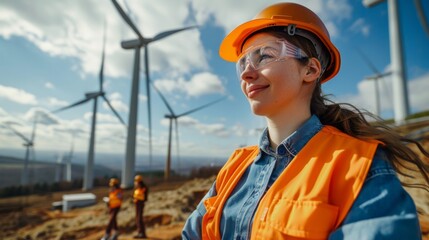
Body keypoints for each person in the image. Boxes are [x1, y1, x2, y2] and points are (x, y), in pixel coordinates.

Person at [182, 2, 429, 239]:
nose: (247, 73)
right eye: (243, 63)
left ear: (310, 70)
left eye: (264, 56)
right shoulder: (234, 168)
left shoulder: (358, 165)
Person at [133, 174, 149, 239]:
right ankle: (140, 232)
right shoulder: (138, 188)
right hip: (137, 204)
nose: (135, 183)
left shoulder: (143, 188)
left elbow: (143, 197)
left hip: (140, 204)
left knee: (139, 218)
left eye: (136, 182)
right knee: (138, 218)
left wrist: (138, 199)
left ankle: (141, 233)